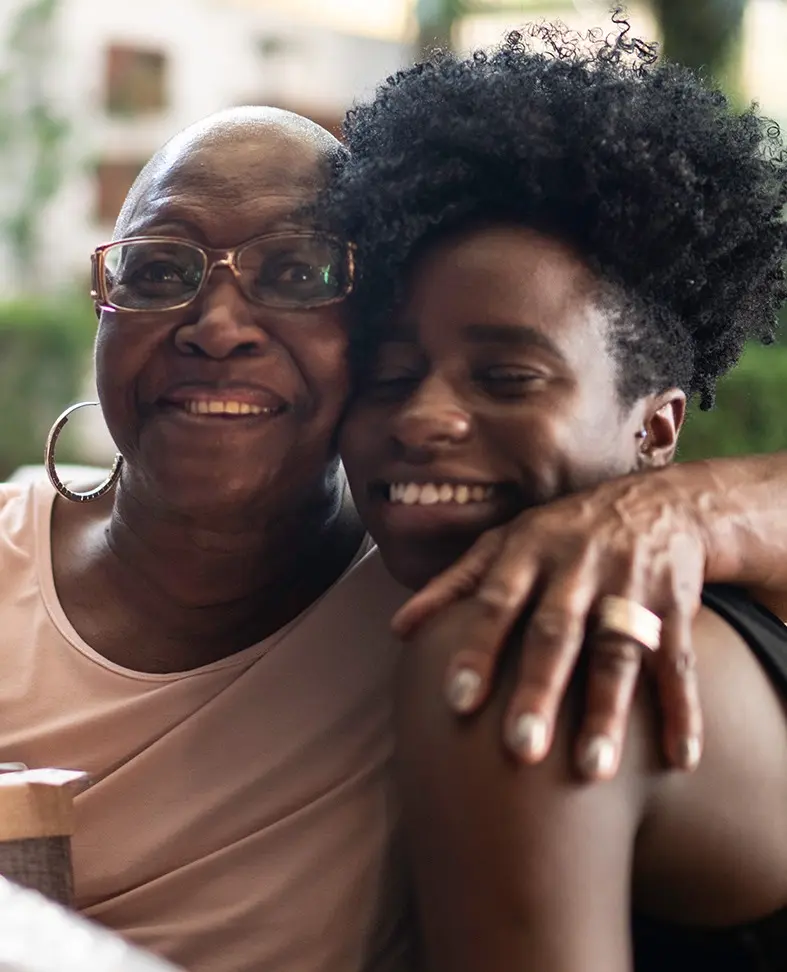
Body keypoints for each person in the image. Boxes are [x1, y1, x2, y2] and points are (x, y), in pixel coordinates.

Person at [0, 92, 785, 972]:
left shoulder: (479, 613)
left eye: (294, 272)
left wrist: (688, 505)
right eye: (156, 268)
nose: (216, 327)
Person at [328, 18, 787, 972]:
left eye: (506, 378)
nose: (423, 417)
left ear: (654, 430)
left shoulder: (521, 652)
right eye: (387, 375)